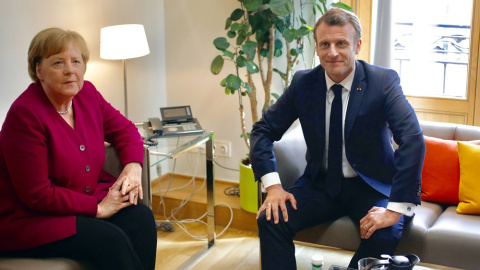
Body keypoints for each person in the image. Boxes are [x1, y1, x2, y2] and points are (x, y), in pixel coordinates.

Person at [250, 8, 426, 269]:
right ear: (317, 48)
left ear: (357, 45)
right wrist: (274, 188)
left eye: (341, 43)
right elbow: (263, 131)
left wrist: (395, 209)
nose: (332, 52)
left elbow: (412, 139)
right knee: (271, 219)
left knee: (385, 232)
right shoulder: (303, 83)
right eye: (325, 44)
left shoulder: (382, 82)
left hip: (371, 186)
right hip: (319, 183)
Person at [0, 28, 157, 270]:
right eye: (58, 62)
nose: (70, 70)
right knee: (110, 241)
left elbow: (125, 130)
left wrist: (133, 166)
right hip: (33, 217)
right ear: (39, 70)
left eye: (76, 61)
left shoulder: (88, 94)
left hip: (84, 198)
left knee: (142, 219)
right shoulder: (25, 114)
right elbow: (37, 194)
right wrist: (97, 208)